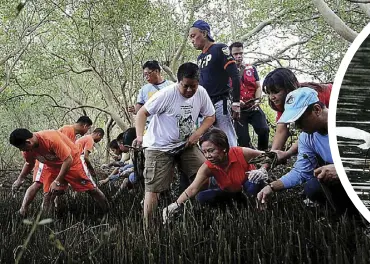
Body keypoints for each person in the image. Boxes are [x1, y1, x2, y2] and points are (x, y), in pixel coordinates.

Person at [134, 62, 215, 224]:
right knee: (153, 189)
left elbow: (210, 116)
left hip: (185, 144)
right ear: (178, 82)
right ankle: (148, 230)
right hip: (159, 147)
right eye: (185, 86)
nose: (190, 90)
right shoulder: (166, 94)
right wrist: (140, 136)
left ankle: (188, 211)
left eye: (193, 86)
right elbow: (142, 113)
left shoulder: (201, 93)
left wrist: (198, 134)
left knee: (205, 175)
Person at [256, 88, 356, 216]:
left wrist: (343, 170)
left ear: (317, 110)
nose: (297, 126)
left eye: (300, 120)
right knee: (313, 187)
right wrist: (271, 187)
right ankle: (348, 216)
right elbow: (301, 171)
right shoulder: (307, 136)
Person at [162, 128, 268, 223]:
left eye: (211, 151)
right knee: (202, 197)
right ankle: (230, 212)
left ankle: (257, 210)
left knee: (255, 181)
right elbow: (193, 188)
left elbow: (269, 156)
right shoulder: (208, 167)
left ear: (224, 148)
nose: (208, 156)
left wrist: (262, 170)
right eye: (204, 152)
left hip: (249, 188)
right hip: (230, 193)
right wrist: (175, 204)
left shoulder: (241, 153)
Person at [10, 128, 109, 214]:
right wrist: (20, 179)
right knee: (48, 196)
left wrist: (57, 181)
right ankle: (47, 224)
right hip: (51, 167)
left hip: (73, 163)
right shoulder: (27, 150)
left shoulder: (50, 139)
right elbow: (29, 163)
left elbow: (68, 160)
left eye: (21, 148)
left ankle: (107, 212)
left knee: (92, 190)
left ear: (28, 142)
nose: (22, 151)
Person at [189, 20, 240, 147]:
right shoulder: (200, 58)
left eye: (193, 36)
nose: (192, 40)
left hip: (220, 102)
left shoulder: (220, 49)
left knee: (227, 136)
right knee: (208, 140)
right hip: (206, 106)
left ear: (204, 33)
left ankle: (236, 162)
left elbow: (235, 75)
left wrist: (236, 102)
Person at [262, 68, 332, 161]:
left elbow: (312, 131)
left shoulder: (311, 96)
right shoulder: (286, 104)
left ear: (288, 88)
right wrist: (268, 163)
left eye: (276, 92)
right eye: (269, 93)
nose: (271, 97)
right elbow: (281, 131)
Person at [229, 42, 269, 150]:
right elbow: (225, 92)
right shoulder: (225, 72)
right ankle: (248, 162)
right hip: (239, 110)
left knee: (264, 129)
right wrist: (235, 101)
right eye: (236, 54)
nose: (239, 56)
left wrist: (257, 101)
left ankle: (263, 155)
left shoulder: (251, 69)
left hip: (253, 106)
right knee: (243, 140)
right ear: (230, 55)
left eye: (241, 53)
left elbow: (258, 87)